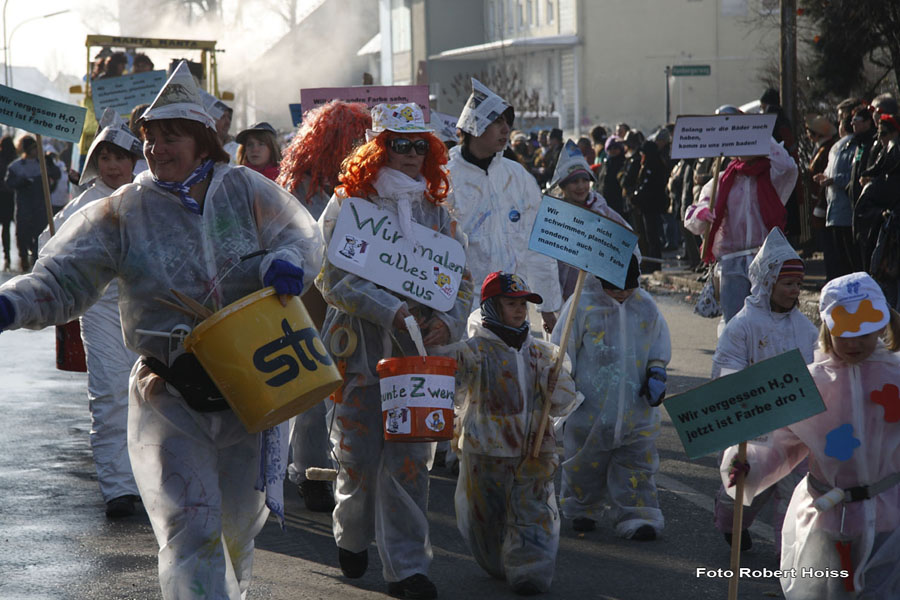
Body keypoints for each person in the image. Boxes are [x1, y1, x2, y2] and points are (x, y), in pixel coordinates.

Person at [0, 61, 323, 599]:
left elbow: (301, 235)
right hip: (171, 392)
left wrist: (285, 261)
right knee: (192, 528)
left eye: (170, 138)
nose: (156, 150)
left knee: (238, 531)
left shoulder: (244, 189)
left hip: (253, 385)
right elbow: (61, 279)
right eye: (150, 138)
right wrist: (12, 305)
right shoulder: (124, 211)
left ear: (201, 141)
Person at [317, 102, 473, 600]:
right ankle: (352, 531)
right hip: (358, 352)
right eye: (399, 144)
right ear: (379, 148)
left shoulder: (438, 214)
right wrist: (390, 310)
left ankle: (407, 566)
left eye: (419, 145)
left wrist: (442, 318)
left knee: (410, 461)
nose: (410, 154)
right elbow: (332, 278)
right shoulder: (349, 206)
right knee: (358, 459)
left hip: (417, 358)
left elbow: (460, 282)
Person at [721, 271, 900, 599]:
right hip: (826, 519)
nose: (855, 342)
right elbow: (783, 445)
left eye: (866, 332)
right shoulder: (811, 384)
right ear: (828, 329)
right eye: (845, 332)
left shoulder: (896, 375)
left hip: (890, 517)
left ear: (882, 326)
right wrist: (749, 465)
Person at [438, 272, 578, 595]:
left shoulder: (543, 355)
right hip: (484, 453)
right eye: (511, 303)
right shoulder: (473, 352)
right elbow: (449, 388)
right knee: (485, 519)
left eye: (523, 304)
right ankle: (497, 559)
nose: (519, 311)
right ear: (491, 307)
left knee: (533, 509)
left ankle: (531, 566)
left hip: (533, 453)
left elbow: (563, 403)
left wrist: (554, 387)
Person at [38, 108, 144, 517]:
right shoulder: (81, 205)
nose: (113, 165)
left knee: (151, 397)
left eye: (120, 157)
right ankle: (117, 487)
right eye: (105, 157)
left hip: (149, 307)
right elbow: (50, 250)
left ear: (134, 159)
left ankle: (149, 480)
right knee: (109, 395)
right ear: (94, 162)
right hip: (99, 309)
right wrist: (53, 248)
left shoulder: (151, 195)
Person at [277, 99, 372, 512]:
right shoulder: (300, 188)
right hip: (313, 297)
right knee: (315, 388)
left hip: (360, 299)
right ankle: (310, 470)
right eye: (349, 138)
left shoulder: (370, 183)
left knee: (356, 388)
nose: (358, 143)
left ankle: (351, 469)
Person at [710, 228, 818, 553]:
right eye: (788, 283)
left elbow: (819, 372)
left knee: (795, 488)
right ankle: (731, 524)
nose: (794, 291)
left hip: (796, 428)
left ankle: (789, 553)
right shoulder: (742, 326)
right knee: (744, 486)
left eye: (798, 284)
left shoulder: (806, 328)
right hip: (752, 426)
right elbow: (726, 374)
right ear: (768, 282)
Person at [552, 254, 671, 540]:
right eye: (615, 287)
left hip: (635, 406)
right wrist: (562, 389)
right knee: (584, 462)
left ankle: (638, 515)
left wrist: (656, 372)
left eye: (628, 287)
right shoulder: (582, 304)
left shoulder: (645, 306)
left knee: (637, 463)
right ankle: (582, 508)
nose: (622, 294)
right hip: (589, 407)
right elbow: (562, 350)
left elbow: (658, 345)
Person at [446, 78, 562, 334]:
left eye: (507, 123)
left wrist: (548, 305)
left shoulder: (517, 177)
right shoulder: (446, 179)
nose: (505, 129)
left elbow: (538, 245)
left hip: (513, 307)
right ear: (474, 126)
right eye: (496, 122)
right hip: (461, 308)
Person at [684, 138, 798, 322]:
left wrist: (758, 134)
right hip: (731, 263)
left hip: (766, 260)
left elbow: (789, 166)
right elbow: (695, 218)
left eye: (746, 140)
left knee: (769, 322)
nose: (742, 144)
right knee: (735, 323)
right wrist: (701, 214)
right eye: (737, 140)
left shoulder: (773, 175)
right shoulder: (721, 180)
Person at [549, 139, 630, 301]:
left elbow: (629, 246)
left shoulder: (603, 211)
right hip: (565, 300)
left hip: (602, 297)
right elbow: (545, 265)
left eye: (585, 180)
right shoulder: (553, 217)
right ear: (563, 186)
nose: (581, 187)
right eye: (574, 182)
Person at [5, 136, 60, 272]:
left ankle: (36, 259)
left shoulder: (43, 163)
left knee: (40, 234)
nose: (36, 150)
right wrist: (22, 182)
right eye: (33, 148)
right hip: (24, 206)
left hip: (40, 206)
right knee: (23, 234)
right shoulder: (16, 166)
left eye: (37, 147)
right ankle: (23, 257)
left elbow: (56, 175)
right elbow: (9, 183)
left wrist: (50, 164)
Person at [0, 136, 16, 271]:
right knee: (7, 228)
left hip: (5, 197)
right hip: (11, 197)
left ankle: (7, 256)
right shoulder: (15, 159)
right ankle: (7, 255)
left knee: (6, 228)